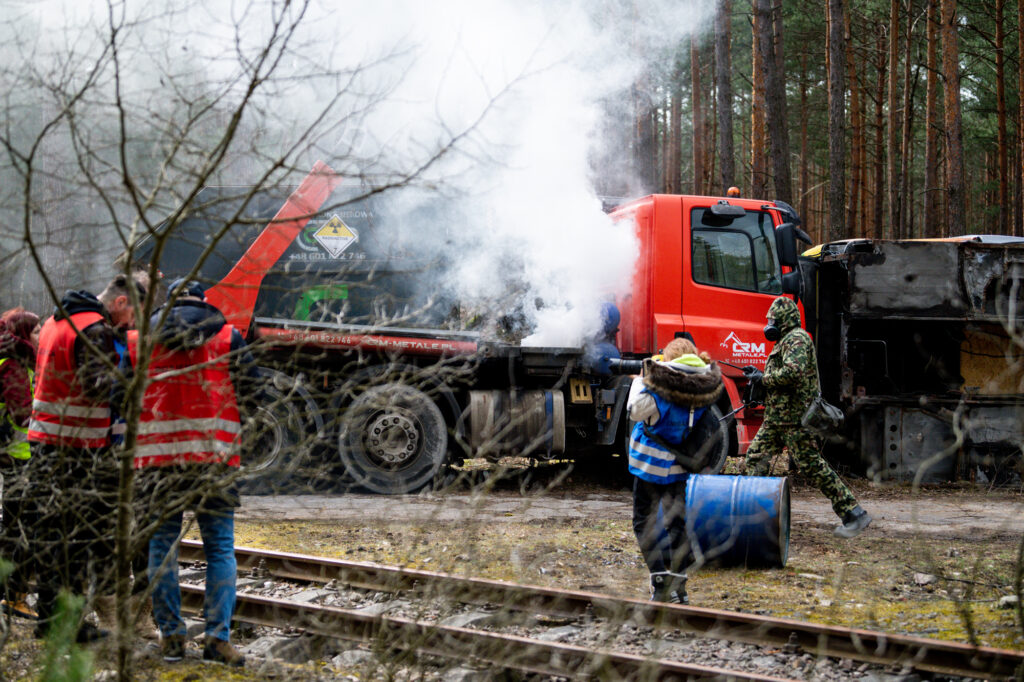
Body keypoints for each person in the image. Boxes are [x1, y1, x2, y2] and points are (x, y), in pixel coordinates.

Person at [125, 279, 259, 665]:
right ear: (204, 301)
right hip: (213, 463)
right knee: (219, 548)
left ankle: (171, 637)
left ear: (167, 302)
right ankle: (218, 639)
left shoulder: (140, 341)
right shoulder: (227, 337)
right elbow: (253, 392)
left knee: (161, 548)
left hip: (157, 464)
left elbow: (121, 396)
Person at [26, 274, 145, 642]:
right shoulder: (95, 330)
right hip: (76, 450)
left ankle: (48, 620)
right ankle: (69, 626)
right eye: (131, 317)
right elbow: (98, 387)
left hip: (45, 441)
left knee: (50, 535)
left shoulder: (54, 320)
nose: (130, 326)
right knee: (75, 540)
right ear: (121, 303)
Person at [743, 296, 871, 538]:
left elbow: (794, 372)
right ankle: (750, 515)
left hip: (794, 420)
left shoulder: (798, 339)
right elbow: (783, 374)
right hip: (777, 419)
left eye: (772, 319)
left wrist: (765, 379)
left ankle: (853, 513)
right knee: (755, 458)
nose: (769, 324)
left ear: (784, 320)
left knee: (811, 466)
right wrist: (759, 377)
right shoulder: (784, 341)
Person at [627, 337, 723, 604]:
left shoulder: (660, 388)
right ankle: (679, 586)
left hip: (649, 468)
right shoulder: (704, 387)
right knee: (677, 525)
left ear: (669, 360)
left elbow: (634, 410)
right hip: (680, 467)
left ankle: (661, 583)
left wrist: (642, 379)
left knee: (643, 523)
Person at [0, 307, 40, 620]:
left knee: (11, 526)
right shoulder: (14, 363)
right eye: (36, 331)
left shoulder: (9, 357)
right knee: (20, 529)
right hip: (18, 455)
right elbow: (20, 414)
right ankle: (14, 596)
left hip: (11, 453)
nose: (41, 337)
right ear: (25, 334)